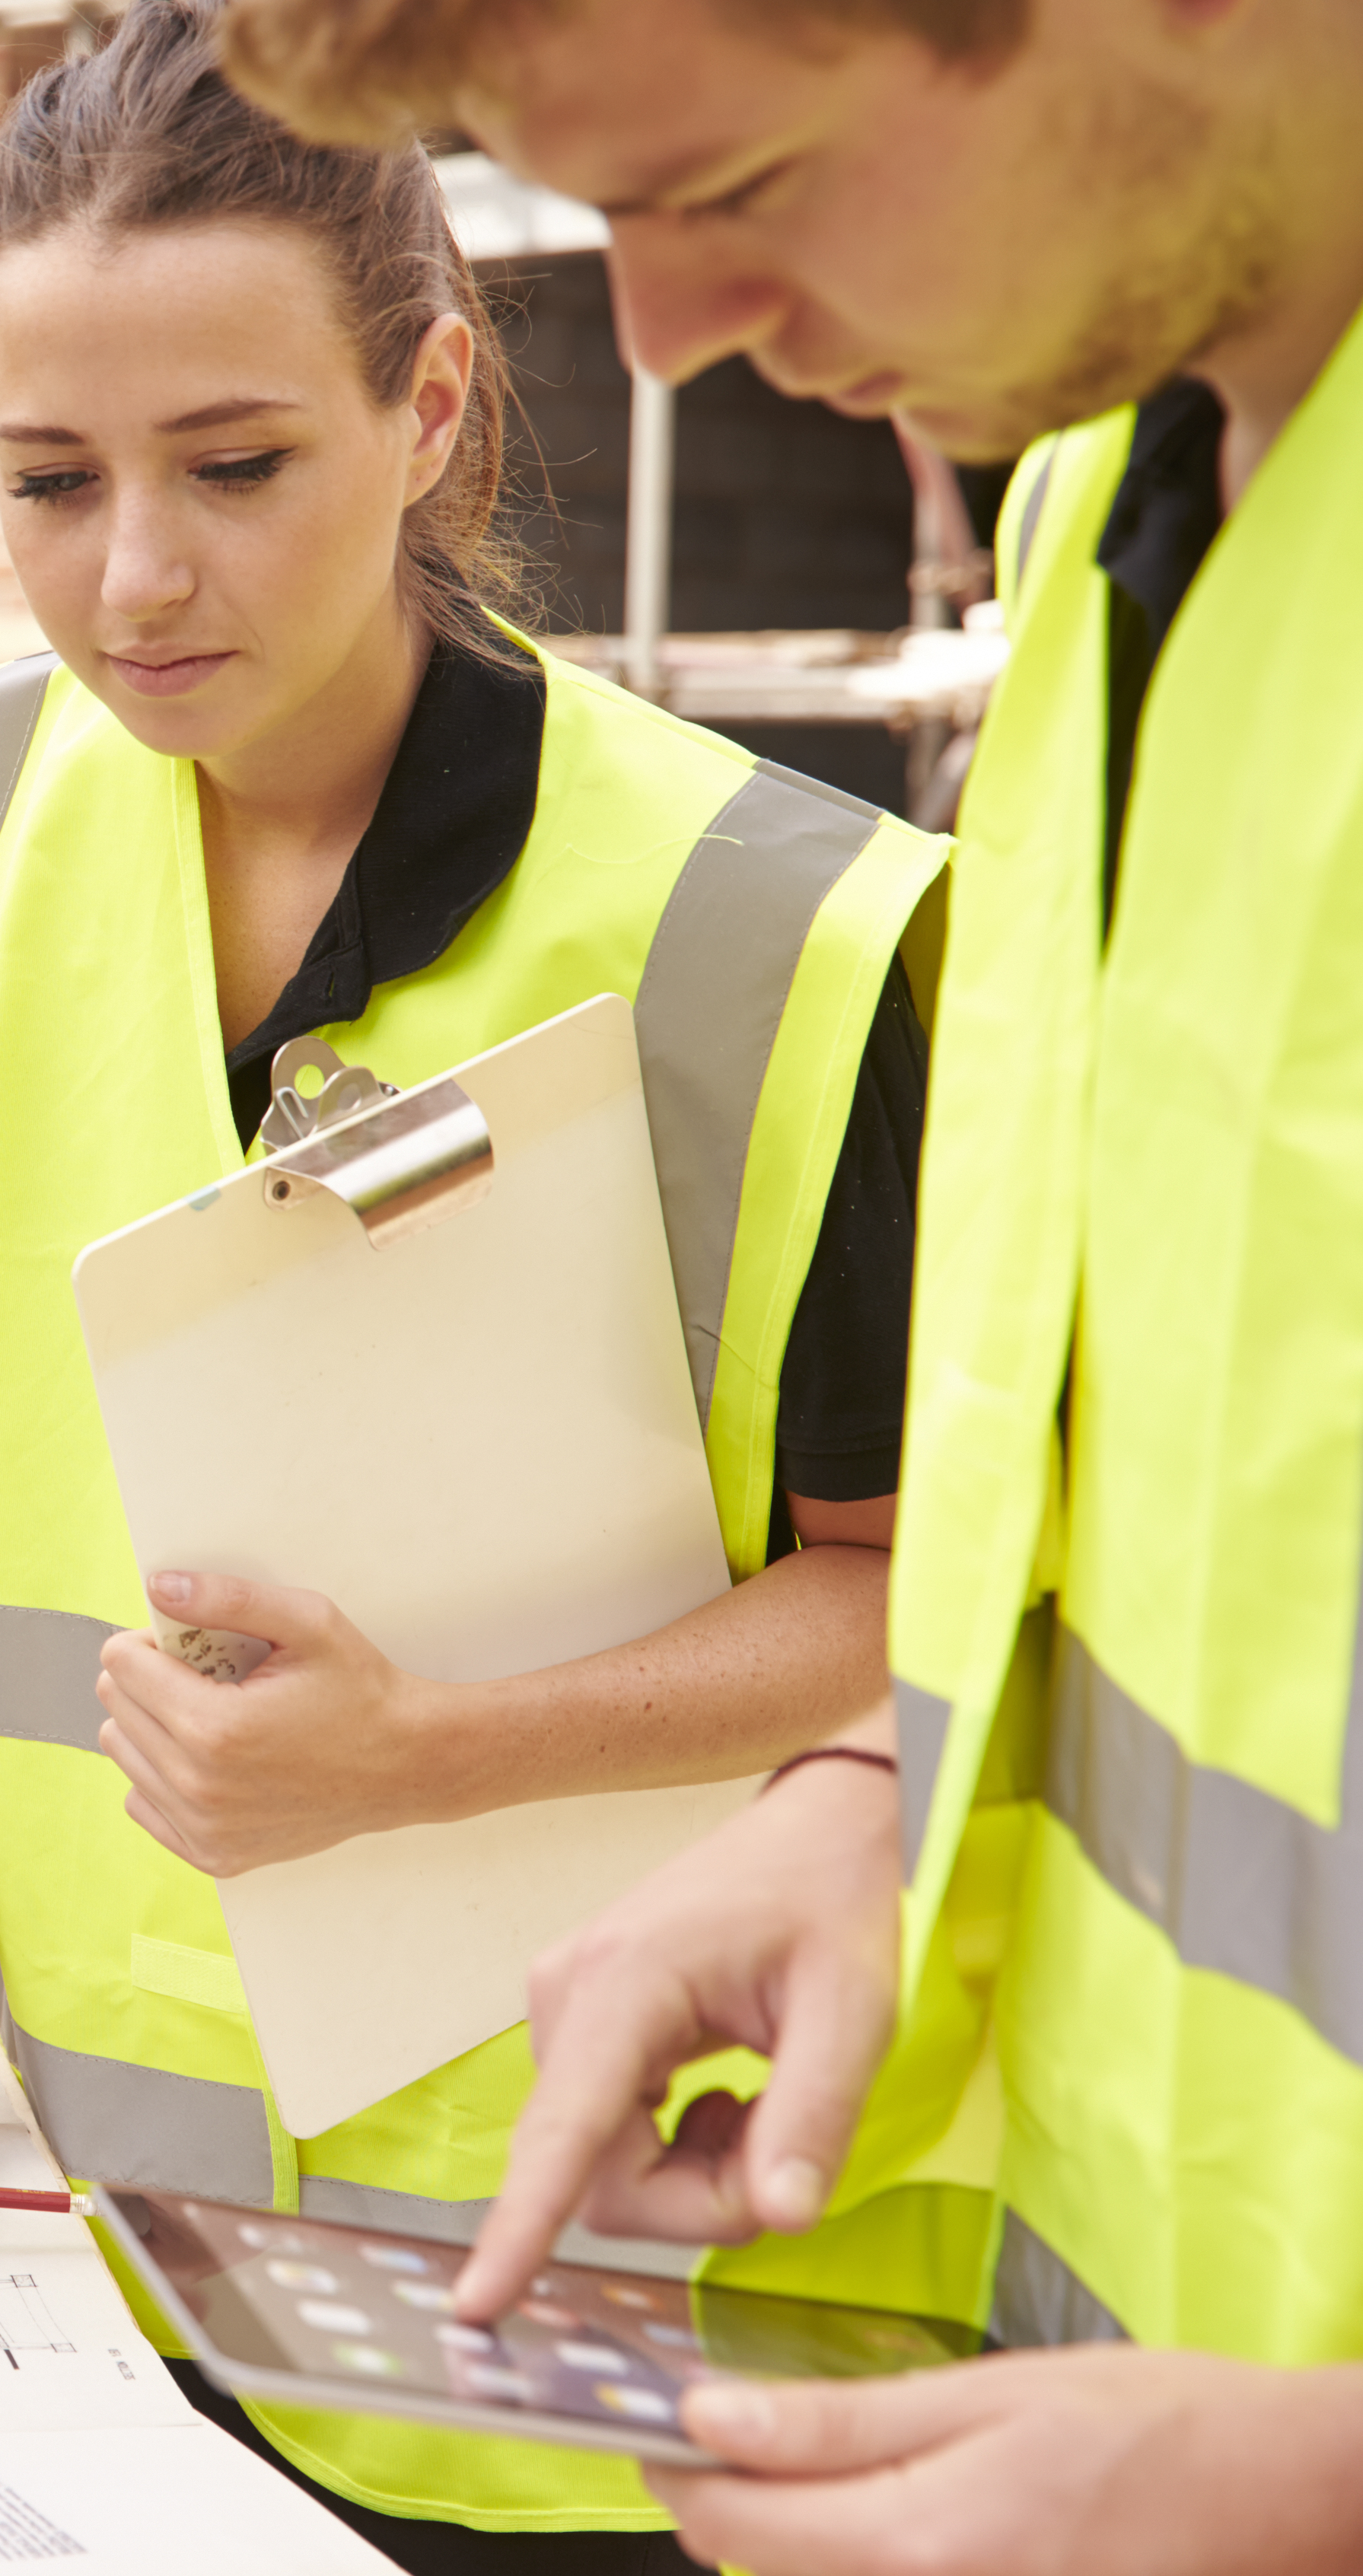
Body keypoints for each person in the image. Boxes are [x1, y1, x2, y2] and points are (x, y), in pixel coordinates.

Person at [0, 9, 967, 2567]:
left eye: (237, 468)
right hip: (125, 2289)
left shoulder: (781, 936)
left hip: (617, 2321)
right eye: (47, 481)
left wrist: (428, 1751)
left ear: (435, 404)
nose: (134, 579)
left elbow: (912, 1606)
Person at [194, 0, 1363, 2566]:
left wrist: (1316, 2485)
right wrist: (870, 1796)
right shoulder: (1103, 539)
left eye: (739, 175)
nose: (663, 334)